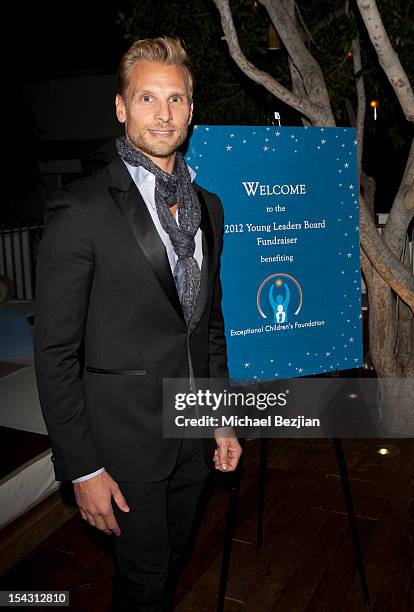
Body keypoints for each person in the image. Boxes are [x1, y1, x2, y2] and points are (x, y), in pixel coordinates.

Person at [34, 36, 241, 611]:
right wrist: (82, 468)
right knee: (146, 582)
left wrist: (221, 420)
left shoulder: (210, 207)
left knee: (171, 564)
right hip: (122, 448)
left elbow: (209, 327)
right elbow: (53, 355)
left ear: (192, 111)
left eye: (175, 100)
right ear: (122, 107)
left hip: (193, 441)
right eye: (147, 98)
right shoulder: (81, 210)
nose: (163, 114)